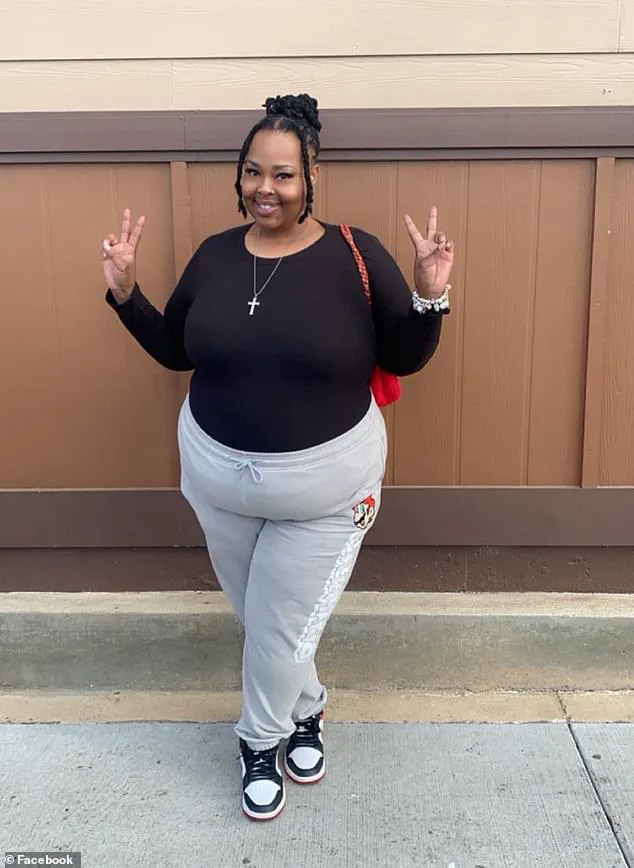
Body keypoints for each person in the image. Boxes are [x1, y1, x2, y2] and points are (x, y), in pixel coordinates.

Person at [101, 93, 454, 822]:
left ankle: (258, 740)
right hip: (216, 481)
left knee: (276, 628)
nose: (267, 189)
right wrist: (127, 295)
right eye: (254, 172)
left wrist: (429, 297)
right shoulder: (214, 256)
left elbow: (404, 358)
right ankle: (309, 705)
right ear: (239, 176)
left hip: (325, 494)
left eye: (285, 175)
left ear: (312, 176)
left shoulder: (356, 255)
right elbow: (175, 350)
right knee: (269, 623)